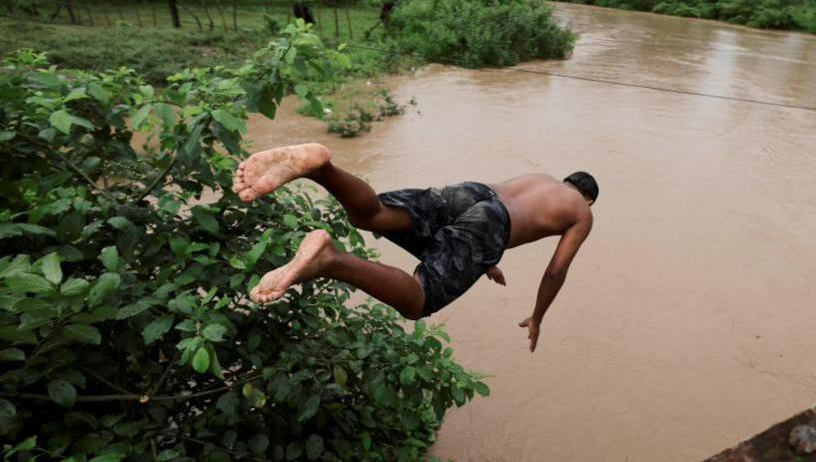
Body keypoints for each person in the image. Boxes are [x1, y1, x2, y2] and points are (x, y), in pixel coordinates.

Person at [233, 143, 597, 352]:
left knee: (372, 214)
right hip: (490, 226)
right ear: (589, 200)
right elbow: (555, 270)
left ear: (565, 179)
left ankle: (319, 168)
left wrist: (484, 261)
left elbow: (486, 212)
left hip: (469, 193)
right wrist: (538, 316)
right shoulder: (581, 212)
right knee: (419, 299)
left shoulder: (541, 179)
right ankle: (330, 259)